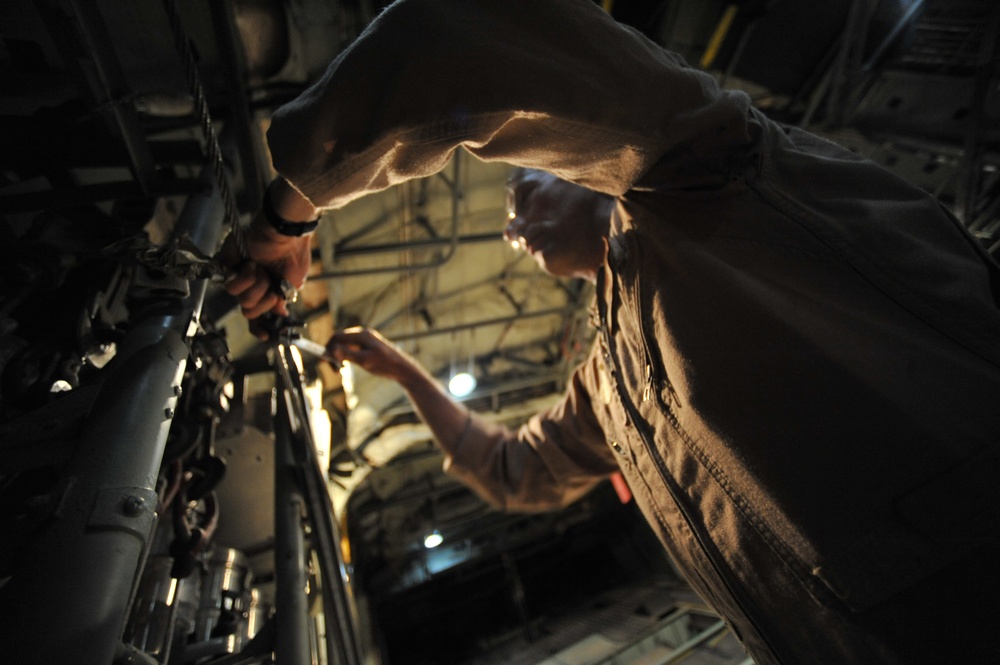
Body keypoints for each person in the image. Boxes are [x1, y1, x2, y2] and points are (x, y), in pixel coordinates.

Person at [223, 1, 1000, 662]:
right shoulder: (613, 380)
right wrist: (403, 373)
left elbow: (456, 34)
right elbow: (515, 471)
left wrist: (286, 213)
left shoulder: (713, 168)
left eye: (518, 193)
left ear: (577, 165)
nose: (511, 228)